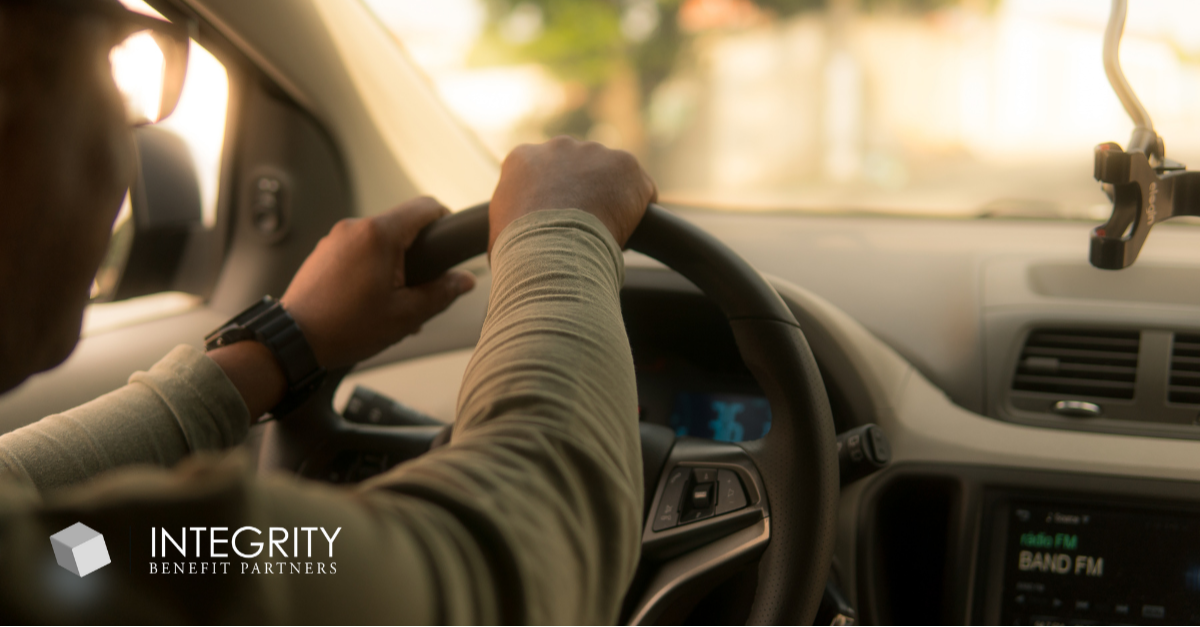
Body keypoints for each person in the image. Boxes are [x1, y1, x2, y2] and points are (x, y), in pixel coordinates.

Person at [0, 1, 656, 623]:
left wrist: (285, 343)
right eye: (109, 59)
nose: (128, 149)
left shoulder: (64, 556)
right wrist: (561, 234)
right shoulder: (128, 575)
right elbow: (499, 563)